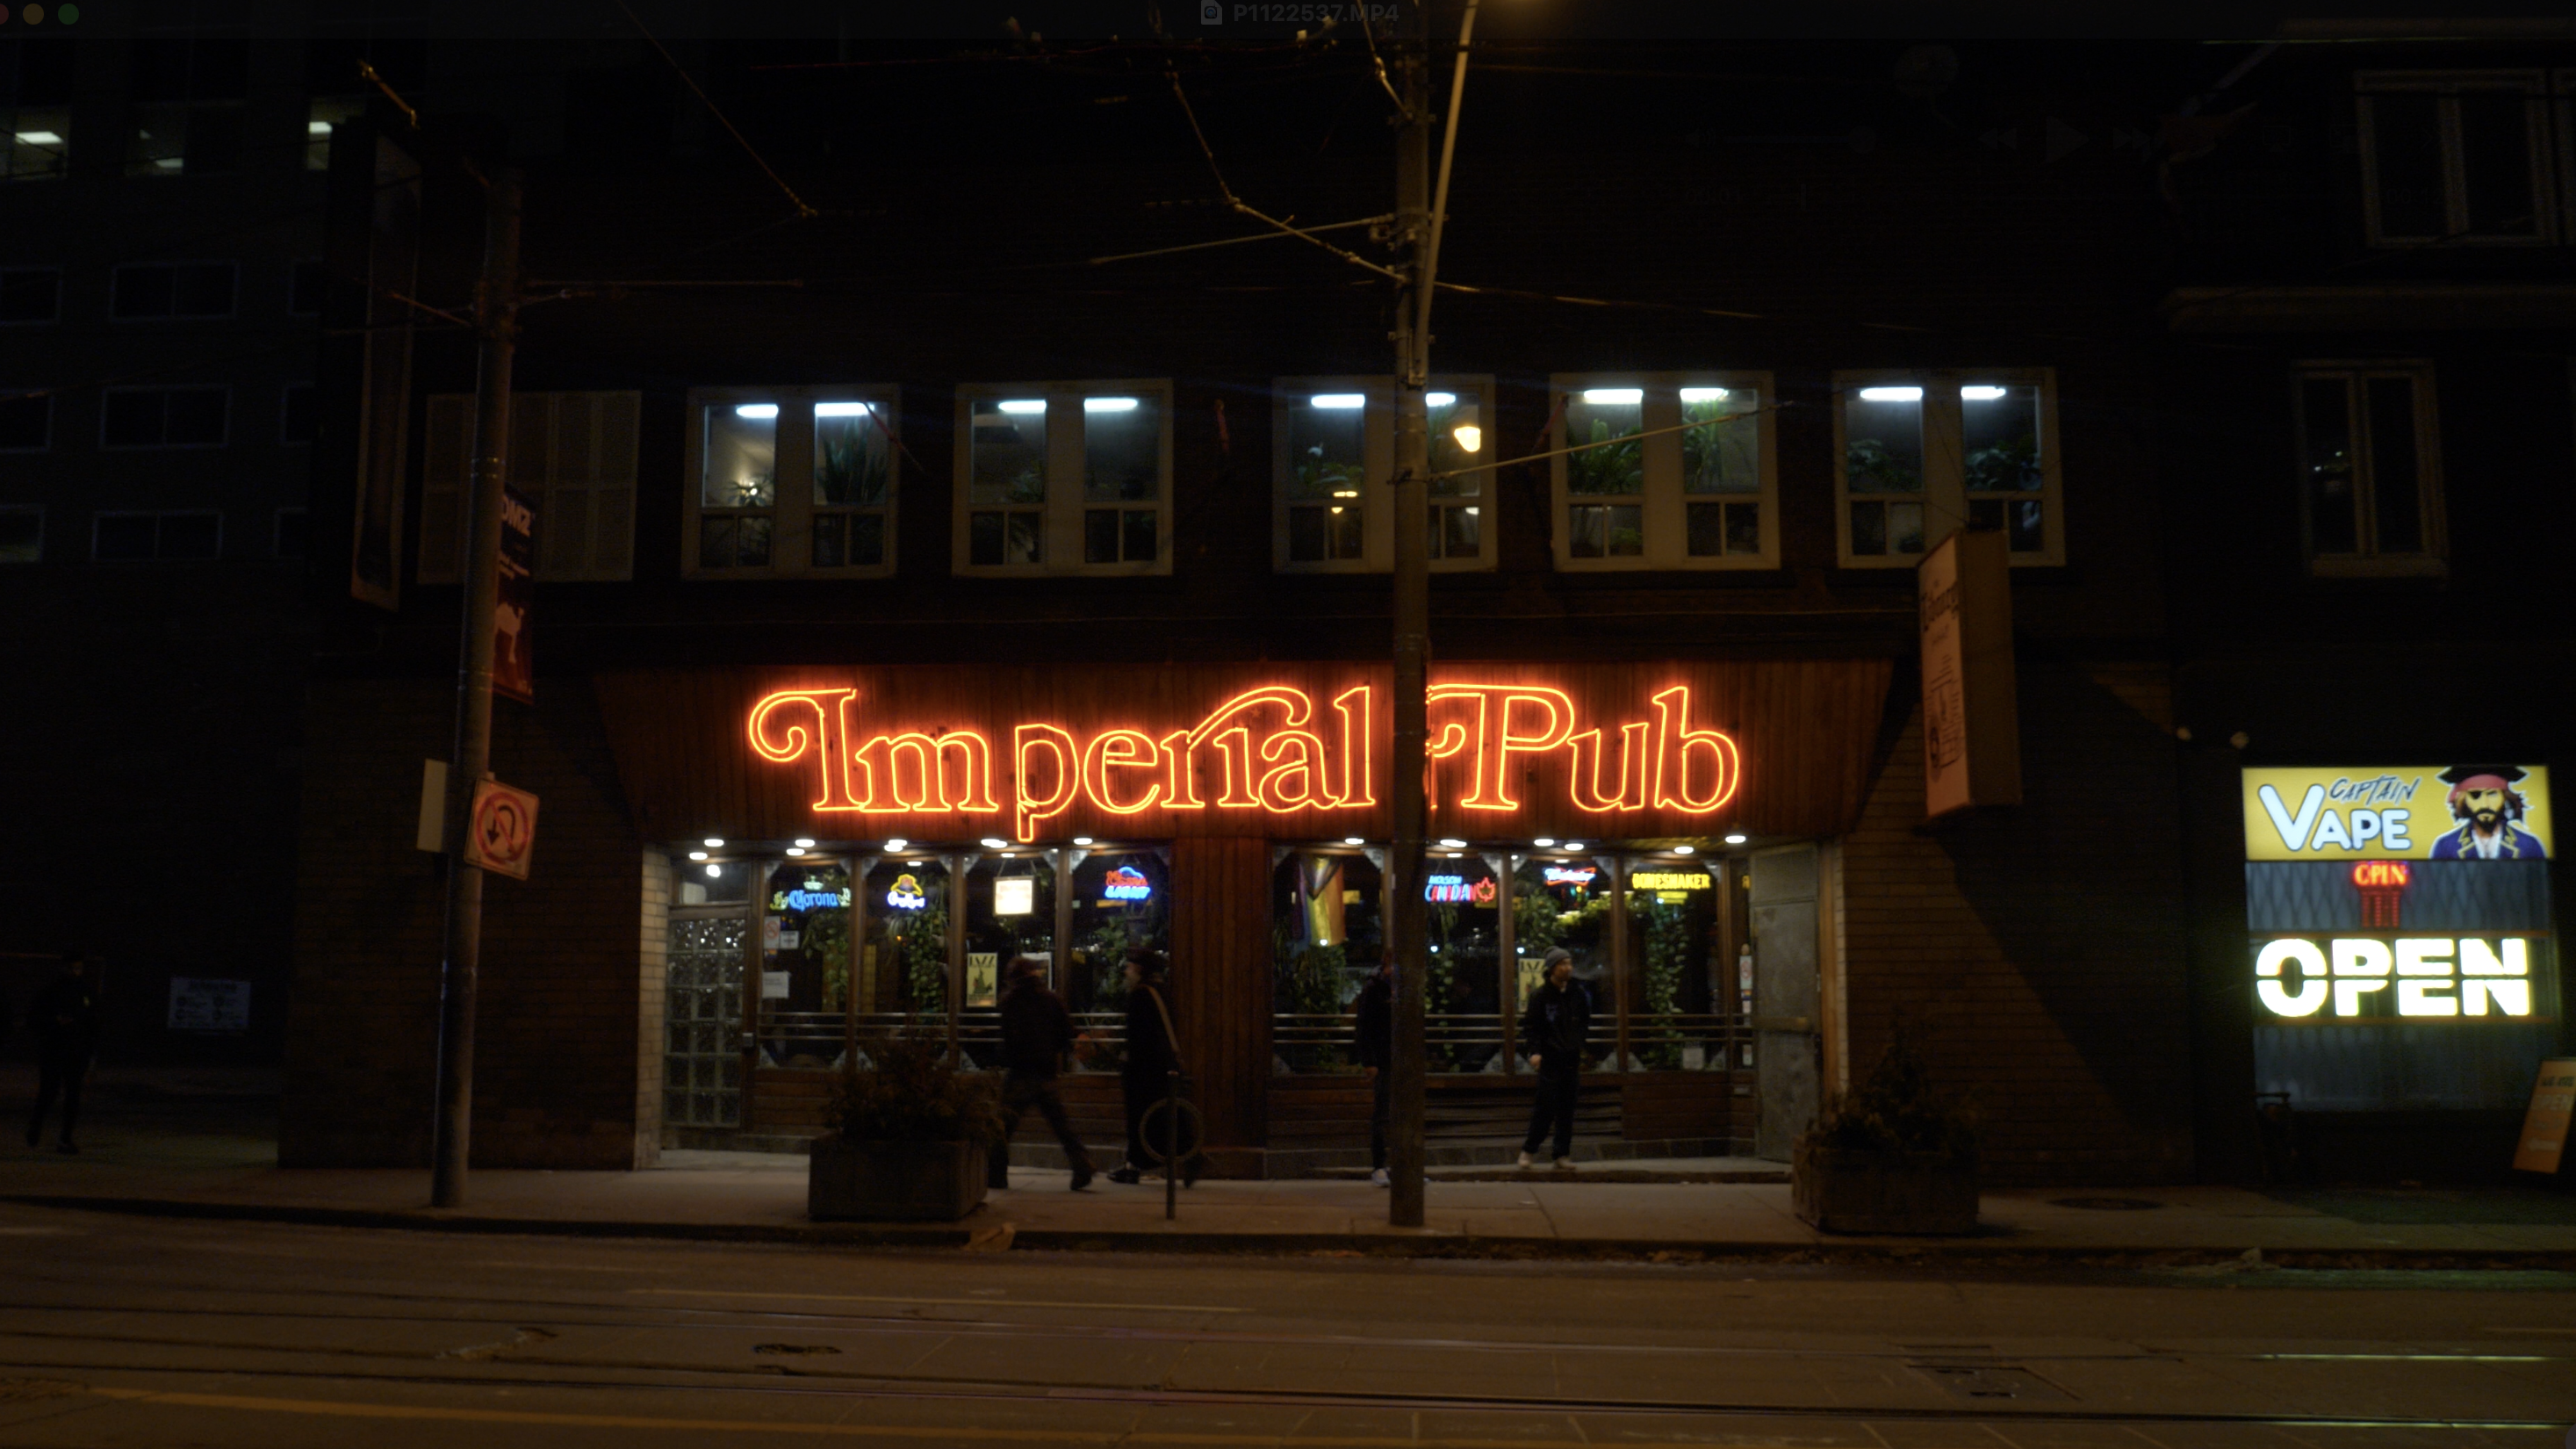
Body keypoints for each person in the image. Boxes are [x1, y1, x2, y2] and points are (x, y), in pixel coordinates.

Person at [989, 955, 1096, 1192]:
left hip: (1020, 1072)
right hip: (1046, 1070)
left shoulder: (1010, 1000)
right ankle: (1082, 1165)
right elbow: (1066, 1032)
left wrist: (1004, 1059)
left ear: (1013, 978)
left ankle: (996, 1175)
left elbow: (1008, 1038)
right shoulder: (1051, 998)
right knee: (1060, 1124)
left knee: (1002, 1126)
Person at [1110, 946, 1196, 1186]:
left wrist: (1126, 1060)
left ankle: (1134, 1166)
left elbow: (1139, 1036)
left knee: (1141, 1117)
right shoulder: (1161, 991)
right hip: (1163, 1065)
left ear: (1138, 969)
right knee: (1166, 1117)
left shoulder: (1141, 994)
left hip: (1144, 1069)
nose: (1126, 972)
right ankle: (1190, 1157)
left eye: (1129, 967)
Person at [1517, 948, 1589, 1171]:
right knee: (1545, 1107)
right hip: (1550, 1058)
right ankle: (1529, 1150)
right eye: (1562, 964)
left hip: (1571, 1057)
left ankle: (1561, 1154)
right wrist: (1535, 1051)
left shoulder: (1577, 994)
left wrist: (1579, 1044)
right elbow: (1531, 1027)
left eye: (1569, 963)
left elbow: (1584, 1021)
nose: (1568, 968)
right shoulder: (1541, 995)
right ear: (1552, 968)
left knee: (1567, 1109)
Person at [25, 955, 103, 1155]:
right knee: (49, 1092)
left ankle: (65, 1138)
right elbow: (33, 1019)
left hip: (77, 1053)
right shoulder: (50, 991)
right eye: (72, 968)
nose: (76, 972)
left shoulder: (86, 992)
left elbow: (94, 1022)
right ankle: (35, 1127)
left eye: (79, 968)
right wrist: (54, 1022)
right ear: (63, 968)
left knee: (73, 1096)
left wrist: (92, 1050)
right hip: (54, 1050)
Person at [1352, 958, 1393, 1188]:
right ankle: (1380, 1166)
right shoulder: (1374, 989)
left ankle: (1397, 1166)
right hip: (1384, 1059)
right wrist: (1369, 1061)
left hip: (1396, 1060)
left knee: (1396, 1114)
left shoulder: (1396, 987)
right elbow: (1364, 1027)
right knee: (1382, 1114)